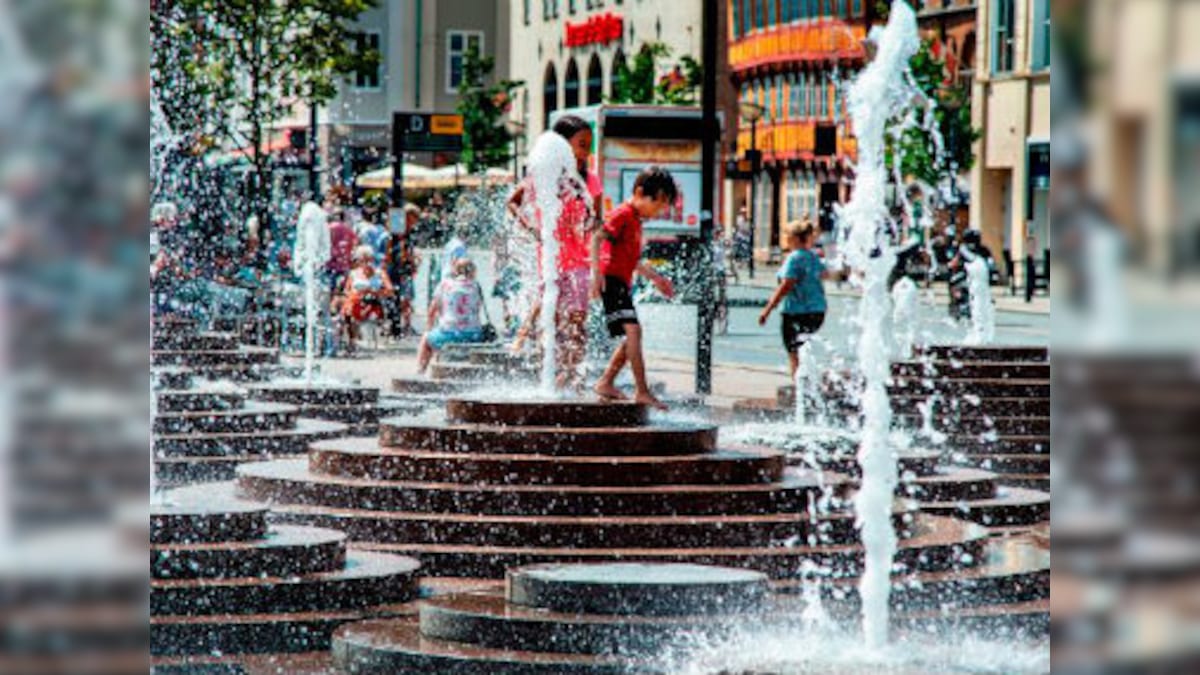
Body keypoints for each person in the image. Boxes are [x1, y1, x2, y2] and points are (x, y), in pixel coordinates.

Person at [506, 114, 603, 387]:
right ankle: (548, 376)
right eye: (582, 144)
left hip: (580, 262)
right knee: (552, 322)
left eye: (589, 145)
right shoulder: (543, 177)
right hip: (550, 261)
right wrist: (533, 229)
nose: (586, 152)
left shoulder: (589, 180)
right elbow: (512, 203)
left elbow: (598, 220)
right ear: (562, 144)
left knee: (577, 323)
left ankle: (572, 375)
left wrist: (590, 226)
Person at [589, 166, 677, 410]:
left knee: (632, 336)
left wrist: (656, 278)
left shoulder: (635, 220)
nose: (659, 210)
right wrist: (595, 275)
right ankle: (642, 391)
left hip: (620, 281)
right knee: (634, 333)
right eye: (658, 203)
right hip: (611, 280)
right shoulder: (622, 214)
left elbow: (631, 261)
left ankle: (606, 382)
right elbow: (597, 237)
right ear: (639, 192)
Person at [758, 220, 847, 379]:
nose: (785, 238)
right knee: (804, 349)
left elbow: (786, 285)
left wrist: (768, 309)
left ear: (796, 239)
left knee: (794, 353)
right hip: (817, 312)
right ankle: (809, 384)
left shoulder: (794, 258)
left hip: (795, 312)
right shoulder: (813, 257)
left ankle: (798, 386)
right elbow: (826, 275)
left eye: (788, 235)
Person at [417, 258, 486, 373]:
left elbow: (431, 311)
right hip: (473, 335)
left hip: (449, 335)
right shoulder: (476, 286)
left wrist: (429, 328)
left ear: (455, 270)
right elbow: (477, 310)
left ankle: (420, 371)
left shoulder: (444, 284)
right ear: (473, 271)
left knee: (426, 339)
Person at [337, 245, 394, 351]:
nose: (366, 263)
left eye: (368, 259)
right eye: (363, 260)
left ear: (372, 259)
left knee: (350, 308)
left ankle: (352, 340)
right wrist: (356, 294)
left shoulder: (380, 273)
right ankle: (351, 340)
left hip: (372, 304)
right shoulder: (353, 273)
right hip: (355, 302)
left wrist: (372, 291)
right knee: (349, 302)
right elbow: (346, 291)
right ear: (359, 261)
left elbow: (390, 291)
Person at [384, 204, 421, 338]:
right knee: (397, 298)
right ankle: (394, 325)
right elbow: (390, 250)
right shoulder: (397, 228)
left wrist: (413, 260)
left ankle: (405, 325)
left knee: (406, 298)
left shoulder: (407, 231)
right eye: (414, 218)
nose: (415, 222)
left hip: (405, 268)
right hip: (396, 268)